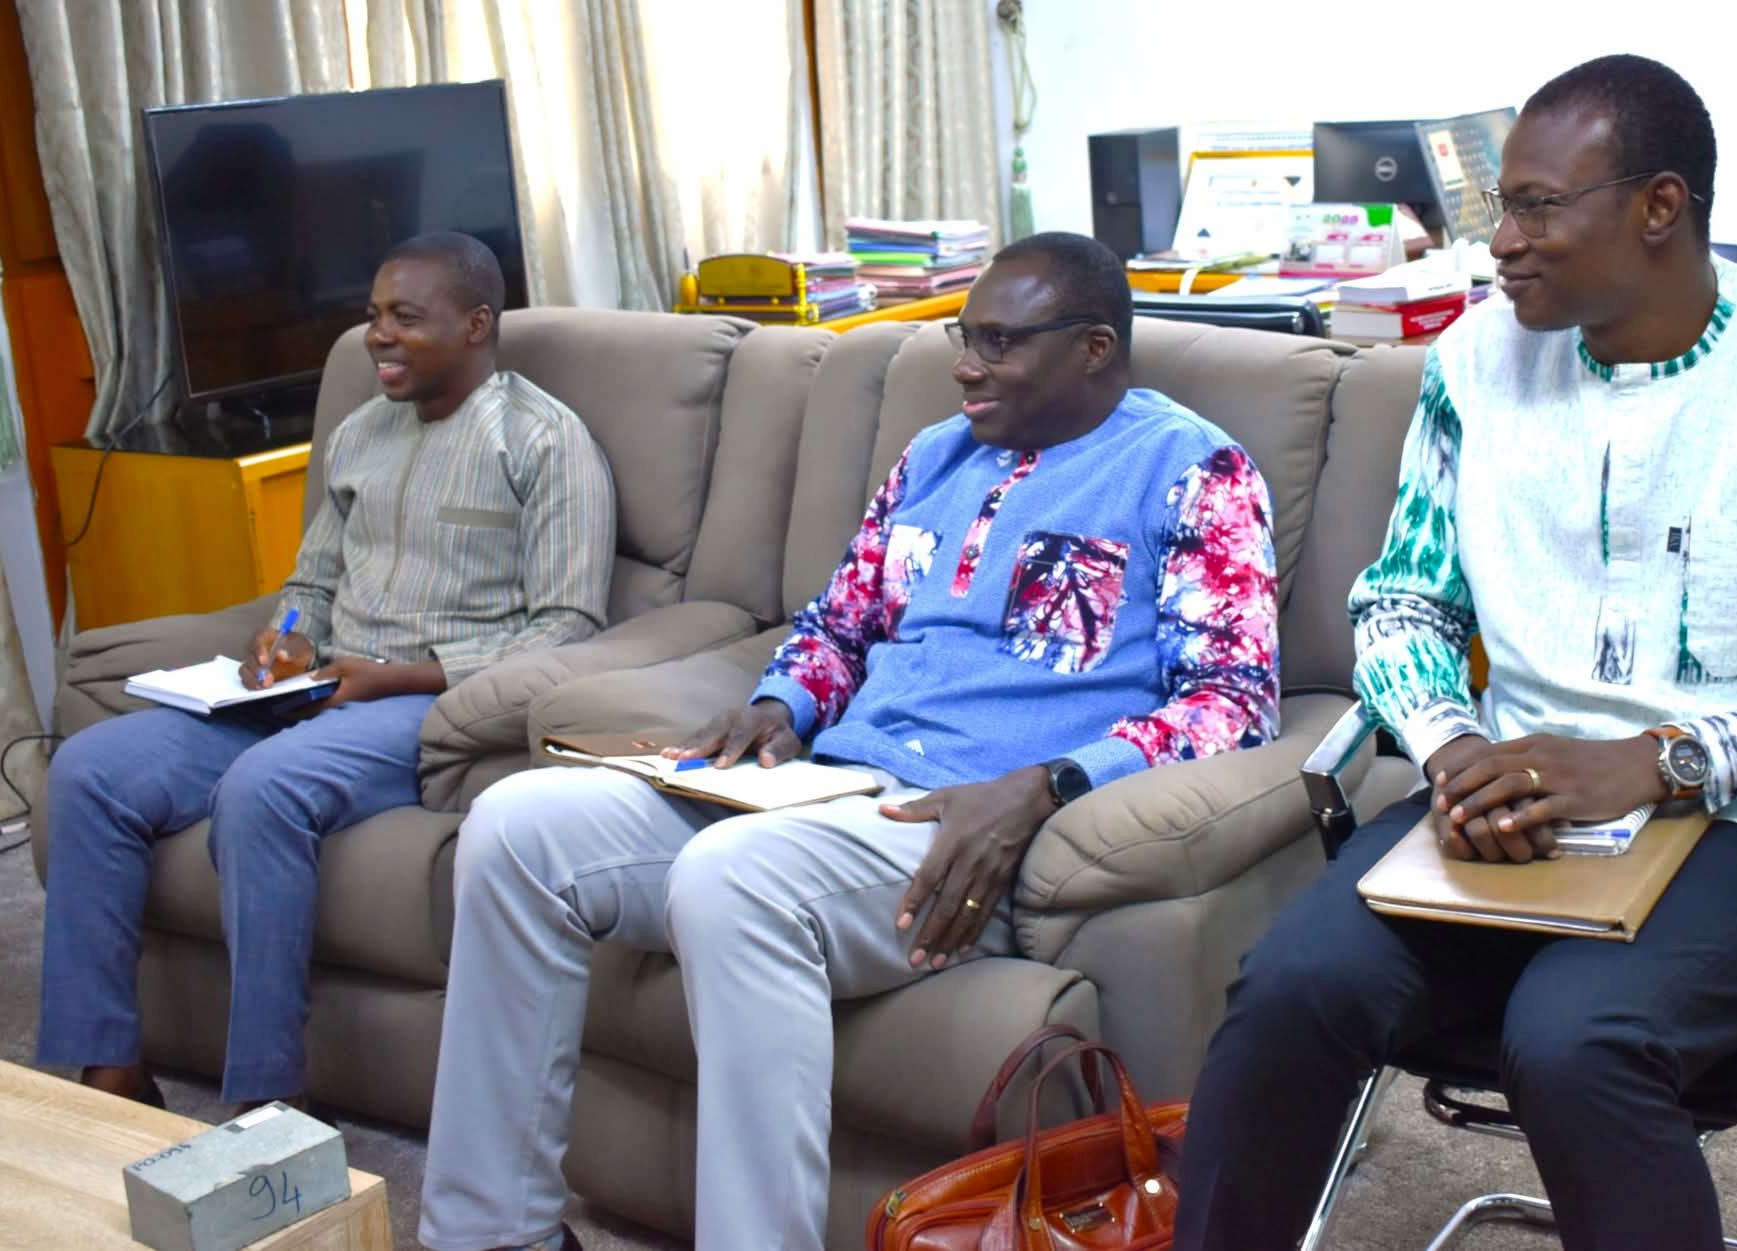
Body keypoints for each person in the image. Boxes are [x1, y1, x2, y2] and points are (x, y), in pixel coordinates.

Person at [1174, 55, 1737, 1251]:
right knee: (1288, 988)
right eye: (1502, 208)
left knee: (1574, 1039)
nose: (1502, 243)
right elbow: (1402, 604)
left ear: (1658, 206)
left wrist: (1662, 760)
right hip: (1505, 792)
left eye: (1539, 208)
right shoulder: (1469, 363)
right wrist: (1450, 751)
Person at [416, 230, 1281, 1251]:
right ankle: (490, 1236)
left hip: (956, 823)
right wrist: (782, 703)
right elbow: (837, 624)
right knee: (514, 827)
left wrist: (1049, 783)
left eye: (999, 343)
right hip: (826, 787)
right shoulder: (935, 455)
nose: (966, 366)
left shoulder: (1192, 469)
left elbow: (1232, 702)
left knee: (730, 880)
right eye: (965, 337)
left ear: (1093, 348)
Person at [37, 231, 617, 1111]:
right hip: (309, 693)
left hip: (426, 703)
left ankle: (268, 1104)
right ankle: (108, 1075)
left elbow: (568, 628)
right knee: (88, 769)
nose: (378, 335)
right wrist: (288, 640)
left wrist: (402, 676)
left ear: (475, 325)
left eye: (404, 317)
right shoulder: (359, 433)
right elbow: (309, 586)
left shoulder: (544, 442)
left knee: (261, 790)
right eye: (374, 314)